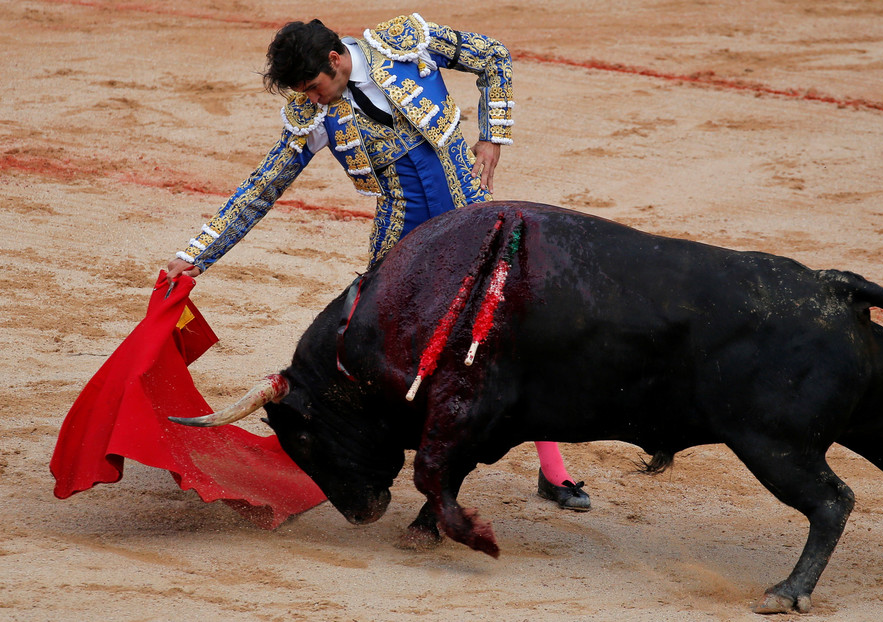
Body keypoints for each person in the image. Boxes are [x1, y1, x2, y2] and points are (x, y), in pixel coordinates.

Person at [164, 15, 590, 511]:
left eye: (314, 87)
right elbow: (264, 186)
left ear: (335, 59)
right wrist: (194, 256)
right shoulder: (314, 116)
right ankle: (346, 456)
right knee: (378, 349)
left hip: (472, 218)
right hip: (403, 244)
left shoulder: (405, 45)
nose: (312, 99)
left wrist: (492, 135)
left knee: (512, 331)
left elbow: (492, 57)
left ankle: (555, 471)